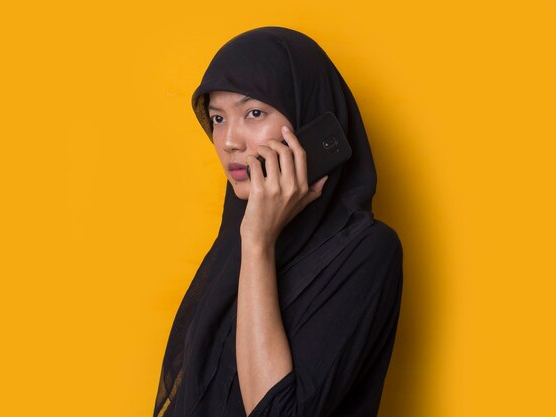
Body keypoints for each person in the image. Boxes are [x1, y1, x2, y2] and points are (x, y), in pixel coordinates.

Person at [153, 26, 403, 417]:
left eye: (254, 113)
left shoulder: (368, 251)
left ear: (310, 119)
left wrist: (257, 241)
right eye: (217, 118)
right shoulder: (229, 249)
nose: (229, 141)